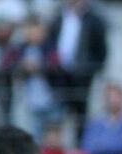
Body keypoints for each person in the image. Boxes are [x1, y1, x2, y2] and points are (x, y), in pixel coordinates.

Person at [46, 0, 108, 140]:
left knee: (81, 116)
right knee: (57, 114)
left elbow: (101, 49)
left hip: (82, 76)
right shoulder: (57, 18)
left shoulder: (94, 20)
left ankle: (79, 149)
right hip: (59, 76)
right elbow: (49, 43)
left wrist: (92, 69)